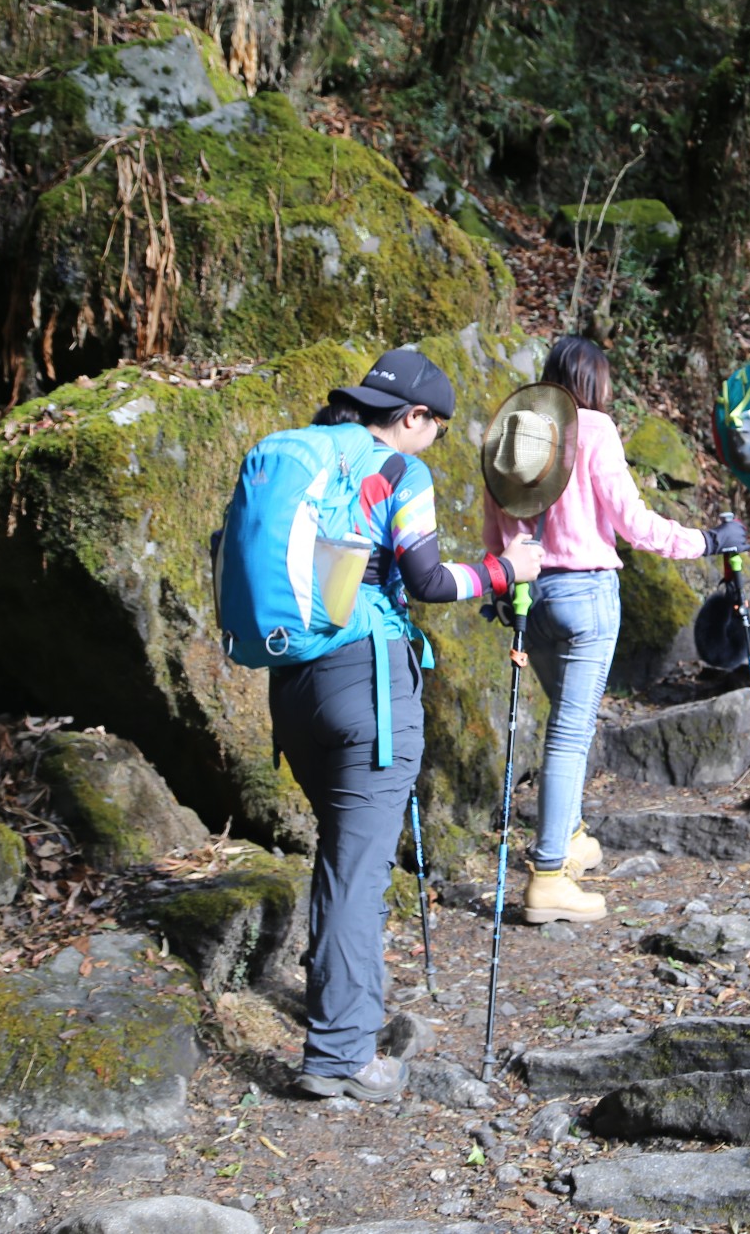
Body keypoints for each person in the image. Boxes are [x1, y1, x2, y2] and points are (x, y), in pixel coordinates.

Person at [271, 348, 543, 1103]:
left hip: (292, 681)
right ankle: (341, 1054)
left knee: (341, 858)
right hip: (367, 683)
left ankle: (352, 1008)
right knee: (356, 872)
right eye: (437, 429)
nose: (434, 444)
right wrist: (503, 572)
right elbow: (426, 580)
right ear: (413, 418)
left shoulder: (308, 451)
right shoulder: (399, 471)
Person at [483, 336, 746, 923]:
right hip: (586, 594)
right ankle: (549, 875)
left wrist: (504, 586)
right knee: (570, 735)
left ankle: (571, 837)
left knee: (562, 726)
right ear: (594, 383)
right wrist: (706, 541)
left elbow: (495, 529)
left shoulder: (514, 429)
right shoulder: (594, 430)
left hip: (531, 596)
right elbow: (632, 521)